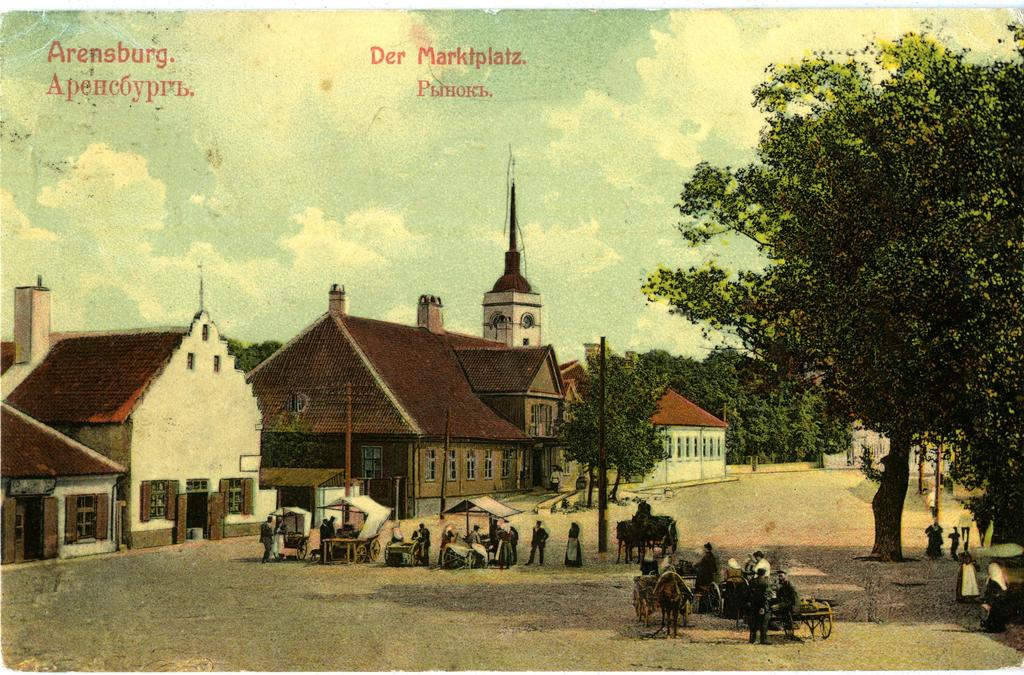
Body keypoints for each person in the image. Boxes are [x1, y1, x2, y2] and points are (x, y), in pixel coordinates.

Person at [748, 568, 771, 644]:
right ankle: (763, 639)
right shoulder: (765, 582)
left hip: (753, 605)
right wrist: (763, 607)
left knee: (753, 621)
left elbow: (749, 593)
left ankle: (752, 639)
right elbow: (765, 596)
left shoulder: (752, 581)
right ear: (764, 574)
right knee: (764, 620)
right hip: (762, 605)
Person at [772, 570, 800, 635]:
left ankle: (786, 623)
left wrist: (796, 607)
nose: (779, 577)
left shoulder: (789, 583)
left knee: (774, 607)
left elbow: (796, 594)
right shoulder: (781, 583)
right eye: (779, 576)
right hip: (784, 601)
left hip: (790, 602)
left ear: (786, 576)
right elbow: (779, 593)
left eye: (781, 576)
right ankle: (783, 620)